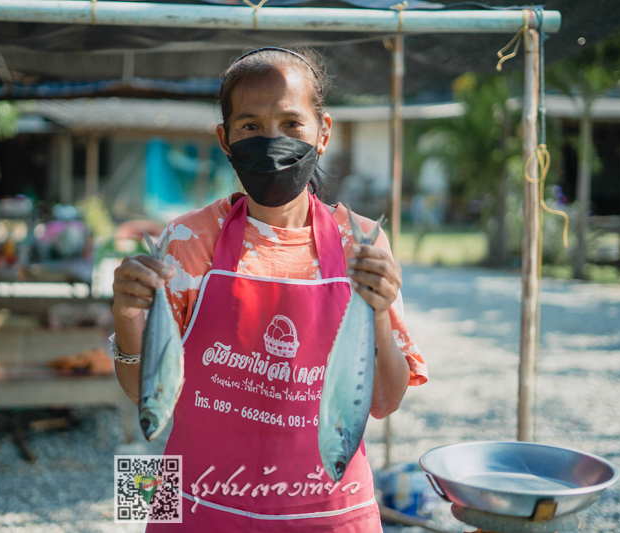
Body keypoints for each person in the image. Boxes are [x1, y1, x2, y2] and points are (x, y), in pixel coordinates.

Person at [111, 47, 428, 532]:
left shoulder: (361, 243)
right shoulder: (186, 241)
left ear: (323, 133)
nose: (271, 140)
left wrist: (379, 312)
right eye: (251, 126)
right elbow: (146, 397)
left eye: (291, 124)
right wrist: (128, 319)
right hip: (200, 507)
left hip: (330, 513)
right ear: (225, 138)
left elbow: (384, 402)